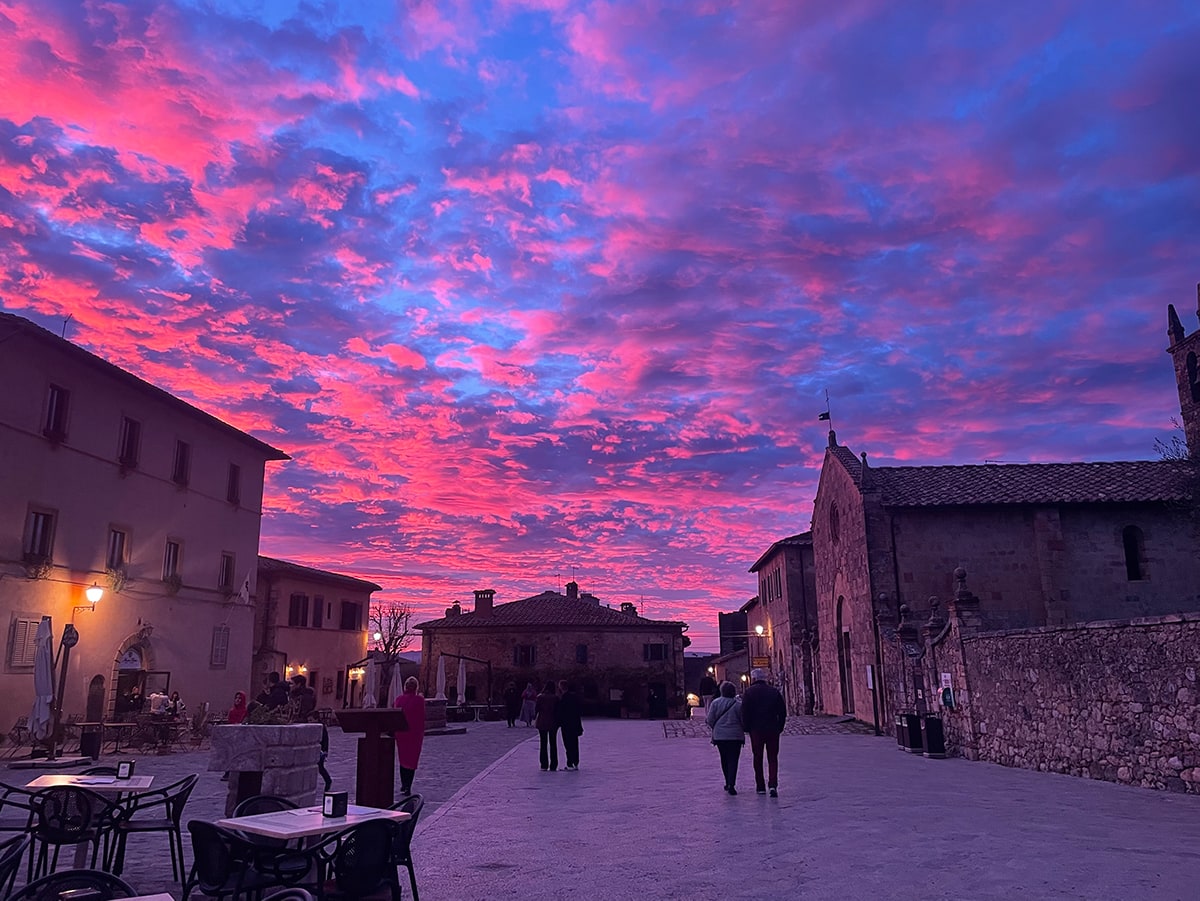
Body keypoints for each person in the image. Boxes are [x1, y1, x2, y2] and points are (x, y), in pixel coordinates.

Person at [741, 668, 787, 797]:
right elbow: (782, 712)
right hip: (772, 728)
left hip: (756, 730)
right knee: (773, 758)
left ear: (754, 679)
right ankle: (773, 785)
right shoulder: (774, 692)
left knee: (757, 757)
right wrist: (780, 727)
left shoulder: (749, 693)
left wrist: (746, 727)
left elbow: (744, 712)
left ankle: (760, 785)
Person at [706, 681, 744, 794]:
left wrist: (716, 727)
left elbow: (710, 719)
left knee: (724, 758)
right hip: (735, 736)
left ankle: (727, 781)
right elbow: (742, 721)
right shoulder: (738, 705)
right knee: (733, 760)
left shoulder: (715, 703)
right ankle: (732, 783)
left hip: (720, 736)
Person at [393, 677, 426, 795]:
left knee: (403, 759)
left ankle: (404, 784)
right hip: (415, 734)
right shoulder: (420, 700)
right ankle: (408, 786)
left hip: (401, 733)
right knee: (412, 760)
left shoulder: (399, 699)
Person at [557, 680, 583, 771]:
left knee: (568, 744)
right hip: (575, 723)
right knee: (575, 743)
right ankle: (575, 762)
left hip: (566, 725)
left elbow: (560, 712)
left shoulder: (563, 698)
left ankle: (570, 763)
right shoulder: (575, 697)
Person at [534, 681, 559, 771]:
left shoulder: (540, 697)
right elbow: (558, 711)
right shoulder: (556, 698)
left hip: (542, 722)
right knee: (553, 744)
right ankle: (553, 764)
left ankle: (544, 764)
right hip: (553, 722)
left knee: (543, 744)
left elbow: (536, 709)